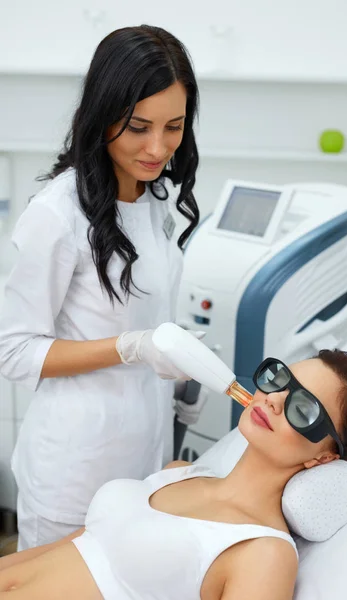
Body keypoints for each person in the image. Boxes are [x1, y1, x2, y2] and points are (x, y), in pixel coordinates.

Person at [0, 25, 202, 550]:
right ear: (103, 114)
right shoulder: (58, 214)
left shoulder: (154, 195)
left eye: (174, 127)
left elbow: (144, 311)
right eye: (138, 127)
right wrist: (129, 348)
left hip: (141, 456)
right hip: (74, 469)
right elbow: (14, 350)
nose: (158, 147)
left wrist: (181, 368)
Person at [0, 349, 347, 599]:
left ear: (325, 456)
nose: (274, 399)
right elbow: (75, 547)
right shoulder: (180, 473)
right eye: (279, 380)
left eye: (303, 408)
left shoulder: (264, 554)